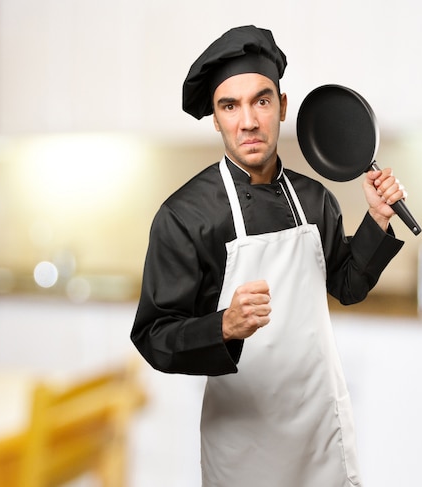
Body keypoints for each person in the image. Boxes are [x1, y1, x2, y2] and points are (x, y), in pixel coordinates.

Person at [130, 25, 405, 487]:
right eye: (229, 106)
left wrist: (376, 219)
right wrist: (224, 325)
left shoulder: (315, 198)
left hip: (320, 433)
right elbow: (154, 336)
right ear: (215, 119)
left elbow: (348, 286)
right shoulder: (184, 217)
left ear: (282, 105)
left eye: (261, 100)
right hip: (244, 445)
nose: (248, 121)